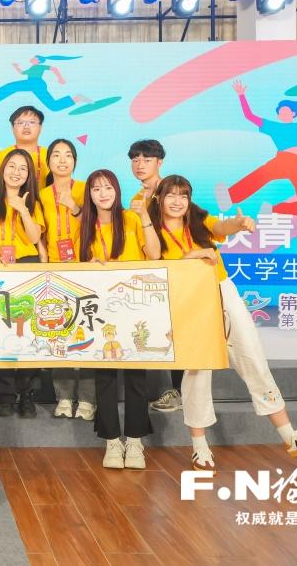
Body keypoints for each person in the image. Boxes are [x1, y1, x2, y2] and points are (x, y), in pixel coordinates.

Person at [149, 175, 297, 471]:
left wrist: (239, 223)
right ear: (159, 198)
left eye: (183, 195)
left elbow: (222, 228)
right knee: (198, 370)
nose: (178, 201)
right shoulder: (151, 229)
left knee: (252, 356)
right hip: (186, 301)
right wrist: (192, 255)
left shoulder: (199, 220)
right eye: (171, 195)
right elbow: (154, 266)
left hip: (222, 290)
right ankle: (199, 447)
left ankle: (290, 436)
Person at [79, 169, 161, 469]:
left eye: (108, 187)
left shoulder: (131, 218)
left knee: (137, 377)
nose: (103, 193)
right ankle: (112, 442)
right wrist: (88, 266)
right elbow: (75, 268)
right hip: (102, 313)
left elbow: (154, 255)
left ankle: (136, 442)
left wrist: (145, 216)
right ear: (89, 195)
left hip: (135, 309)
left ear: (117, 191)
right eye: (96, 188)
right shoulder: (84, 226)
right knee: (105, 378)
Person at [0, 149, 44, 418]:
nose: (16, 172)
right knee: (0, 329)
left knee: (27, 331)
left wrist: (23, 210)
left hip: (27, 266)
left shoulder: (33, 203)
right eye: (12, 166)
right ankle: (4, 394)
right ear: (2, 171)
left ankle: (27, 393)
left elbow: (35, 237)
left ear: (29, 175)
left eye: (23, 168)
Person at [38, 139, 95, 420]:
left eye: (68, 155)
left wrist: (74, 207)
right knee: (59, 332)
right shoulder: (41, 195)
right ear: (48, 161)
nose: (62, 160)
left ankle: (87, 399)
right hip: (56, 270)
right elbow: (40, 234)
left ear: (75, 161)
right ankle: (63, 396)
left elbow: (98, 224)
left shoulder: (87, 188)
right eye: (56, 155)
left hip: (85, 268)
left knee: (88, 332)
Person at [127, 139, 182, 414]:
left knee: (181, 333)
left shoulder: (172, 192)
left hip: (178, 270)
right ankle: (176, 391)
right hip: (153, 275)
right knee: (165, 332)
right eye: (135, 160)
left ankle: (181, 392)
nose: (140, 165)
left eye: (146, 160)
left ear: (159, 162)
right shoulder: (136, 199)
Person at [215, 81, 297, 217]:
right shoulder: (274, 127)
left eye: (285, 111)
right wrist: (241, 95)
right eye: (280, 112)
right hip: (284, 160)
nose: (282, 114)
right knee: (262, 175)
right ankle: (230, 197)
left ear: (293, 113)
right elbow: (250, 116)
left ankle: (271, 209)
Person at [0, 55, 90, 114]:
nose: (32, 58)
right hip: (35, 85)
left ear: (38, 60)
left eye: (34, 58)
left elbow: (54, 68)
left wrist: (60, 78)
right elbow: (22, 73)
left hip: (36, 83)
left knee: (12, 87)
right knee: (53, 106)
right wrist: (17, 67)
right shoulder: (32, 68)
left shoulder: (40, 66)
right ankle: (77, 99)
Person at [0, 105, 49, 191]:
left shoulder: (52, 156)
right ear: (12, 128)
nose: (26, 126)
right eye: (20, 123)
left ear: (40, 127)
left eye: (32, 122)